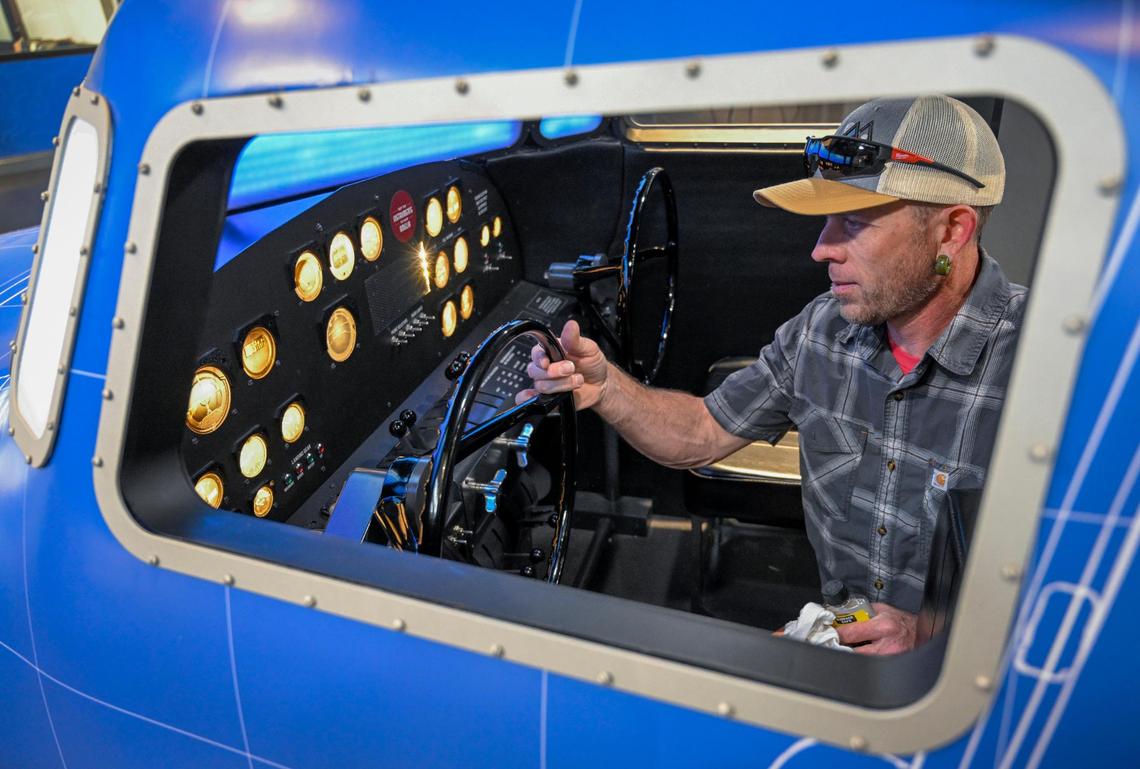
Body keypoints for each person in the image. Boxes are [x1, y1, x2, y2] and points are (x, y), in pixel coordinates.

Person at [518, 95, 1026, 655]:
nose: (820, 249)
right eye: (825, 221)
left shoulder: (1046, 369)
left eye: (853, 223)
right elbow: (702, 432)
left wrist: (932, 632)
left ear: (952, 229)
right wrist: (608, 388)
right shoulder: (822, 330)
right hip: (844, 632)